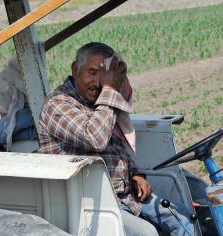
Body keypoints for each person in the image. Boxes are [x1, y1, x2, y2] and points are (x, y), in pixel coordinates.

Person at [38, 42, 194, 236]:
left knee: (182, 218)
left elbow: (116, 148)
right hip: (88, 203)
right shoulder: (58, 104)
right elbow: (96, 139)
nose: (98, 82)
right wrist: (110, 91)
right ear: (75, 69)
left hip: (125, 197)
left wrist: (136, 174)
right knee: (147, 233)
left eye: (104, 76)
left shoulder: (99, 103)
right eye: (92, 72)